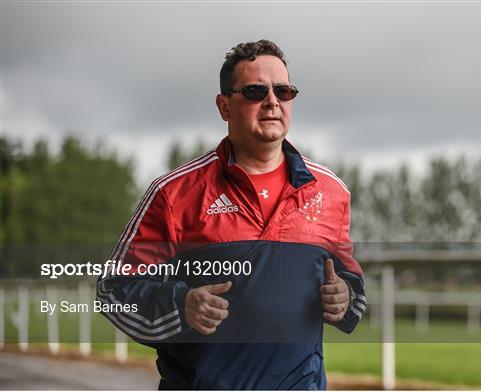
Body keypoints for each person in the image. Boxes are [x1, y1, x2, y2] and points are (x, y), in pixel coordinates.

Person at [96, 39, 366, 390]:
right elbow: (113, 290)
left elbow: (353, 288)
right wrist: (181, 305)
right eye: (255, 91)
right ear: (224, 106)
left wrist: (344, 296)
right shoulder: (173, 193)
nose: (272, 101)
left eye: (283, 91)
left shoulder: (331, 191)